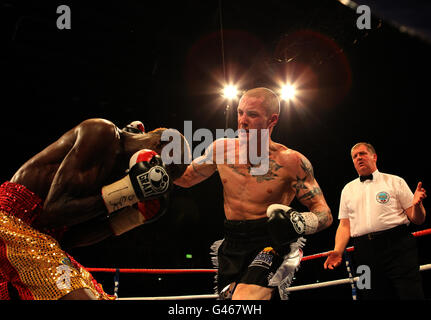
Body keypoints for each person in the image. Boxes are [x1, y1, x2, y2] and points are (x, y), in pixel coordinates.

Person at [0, 118, 187, 300]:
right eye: (168, 168)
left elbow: (68, 238)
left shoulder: (120, 177)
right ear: (162, 142)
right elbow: (51, 214)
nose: (161, 177)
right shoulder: (102, 133)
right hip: (8, 222)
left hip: (41, 242)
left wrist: (128, 219)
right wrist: (125, 191)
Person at [175, 87, 333, 300]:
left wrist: (301, 222)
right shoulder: (220, 150)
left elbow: (324, 212)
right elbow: (185, 178)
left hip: (271, 241)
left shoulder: (291, 161)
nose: (242, 120)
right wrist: (152, 163)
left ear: (272, 119)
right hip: (232, 243)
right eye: (240, 112)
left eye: (252, 114)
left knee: (245, 300)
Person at [324, 142, 427, 300]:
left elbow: (417, 219)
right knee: (370, 294)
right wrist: (338, 250)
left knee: (410, 294)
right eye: (355, 156)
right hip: (364, 252)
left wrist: (417, 205)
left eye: (362, 154)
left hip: (397, 247)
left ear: (374, 157)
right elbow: (344, 225)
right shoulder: (347, 190)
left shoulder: (395, 181)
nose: (359, 158)